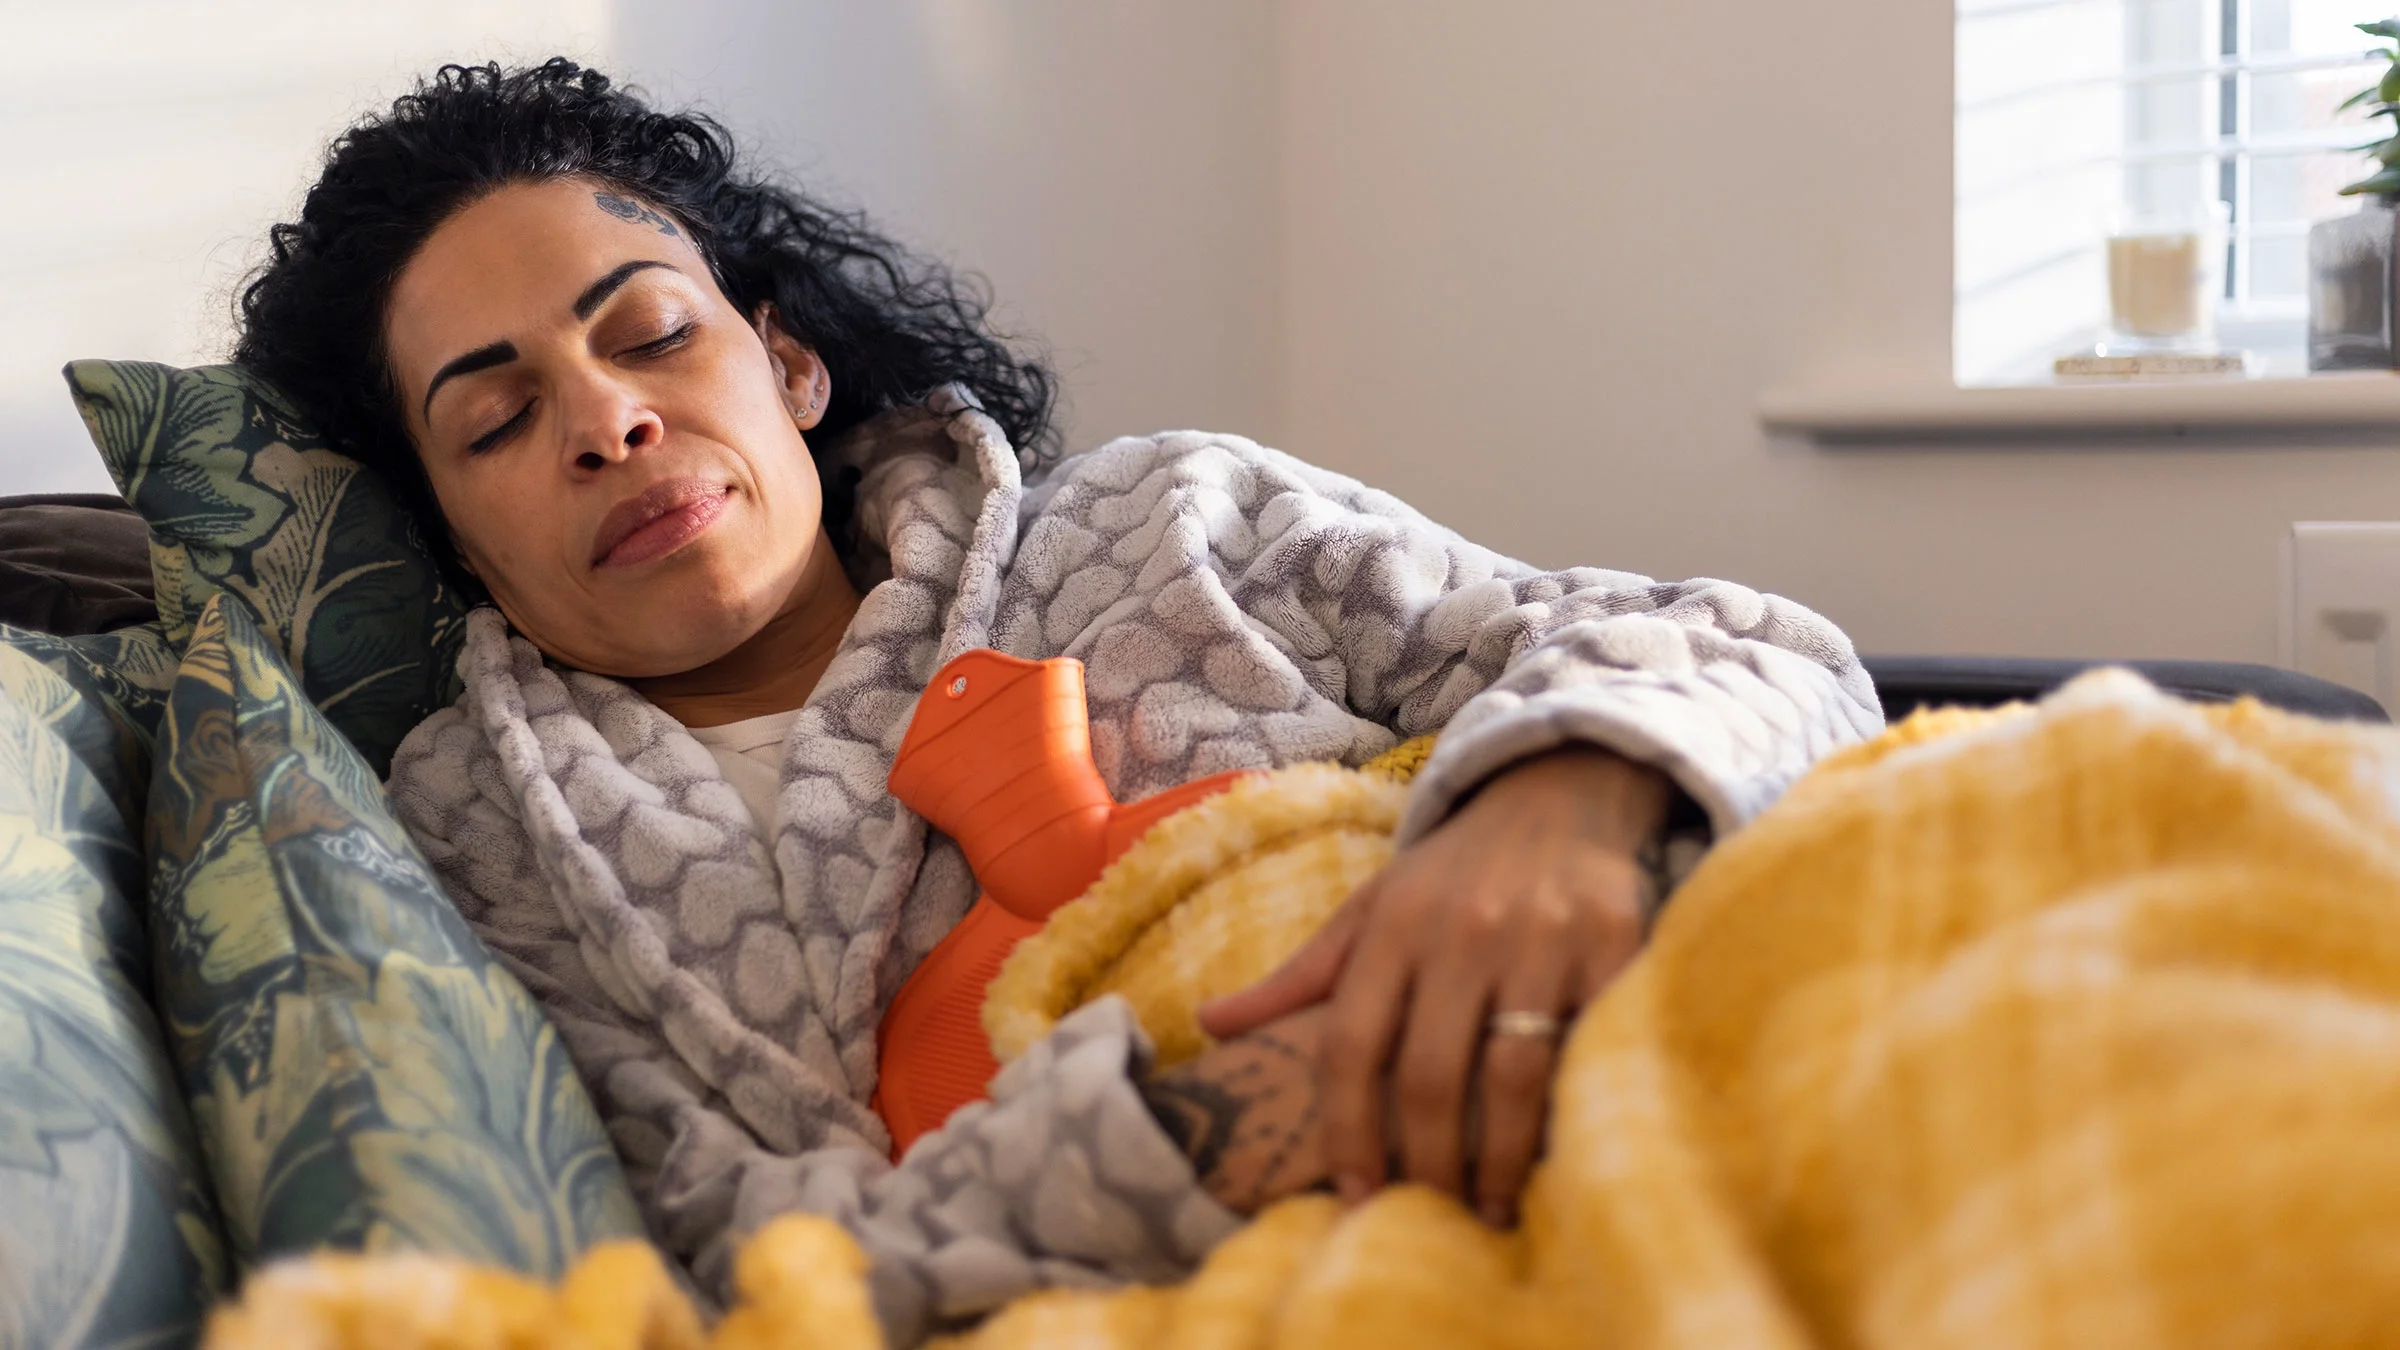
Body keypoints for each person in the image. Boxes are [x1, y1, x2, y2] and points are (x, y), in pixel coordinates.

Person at [233, 59, 1882, 1345]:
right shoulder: (479, 829)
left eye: (652, 333)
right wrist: (1217, 1130)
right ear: (453, 536)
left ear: (791, 366)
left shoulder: (1168, 523)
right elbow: (730, 1260)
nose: (607, 421)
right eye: (499, 421)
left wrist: (1561, 802)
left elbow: (1758, 649)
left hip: (1639, 1075)